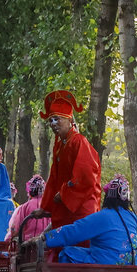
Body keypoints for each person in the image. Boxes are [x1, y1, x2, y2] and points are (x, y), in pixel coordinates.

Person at [41, 175, 137, 264]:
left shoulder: (103, 216)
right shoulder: (134, 220)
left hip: (103, 265)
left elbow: (75, 231)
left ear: (108, 197)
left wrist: (48, 239)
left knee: (67, 253)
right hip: (132, 268)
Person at [39, 90, 102, 229]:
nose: (53, 124)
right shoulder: (59, 145)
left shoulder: (79, 142)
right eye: (50, 120)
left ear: (70, 120)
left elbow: (86, 176)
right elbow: (54, 178)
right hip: (65, 207)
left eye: (57, 119)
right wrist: (44, 207)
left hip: (81, 208)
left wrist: (64, 193)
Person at [6, 176, 50, 243]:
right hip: (48, 244)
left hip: (28, 245)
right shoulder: (50, 206)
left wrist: (10, 238)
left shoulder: (24, 207)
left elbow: (15, 229)